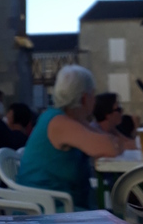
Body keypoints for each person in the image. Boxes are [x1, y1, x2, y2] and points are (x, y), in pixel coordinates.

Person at [17, 64, 125, 209]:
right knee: (120, 214)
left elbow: (111, 143)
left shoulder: (69, 119)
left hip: (61, 206)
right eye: (93, 95)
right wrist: (114, 141)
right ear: (85, 98)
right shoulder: (60, 122)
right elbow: (111, 147)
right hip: (47, 212)